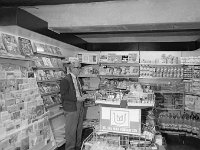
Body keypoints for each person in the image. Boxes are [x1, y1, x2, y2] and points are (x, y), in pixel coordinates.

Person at [60, 60, 87, 150]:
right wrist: (77, 98)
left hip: (80, 105)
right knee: (71, 130)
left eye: (80, 67)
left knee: (79, 128)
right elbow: (64, 95)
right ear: (71, 68)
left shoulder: (78, 79)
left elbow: (77, 92)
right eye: (78, 67)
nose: (80, 69)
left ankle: (78, 146)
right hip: (71, 107)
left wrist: (83, 95)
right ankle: (70, 148)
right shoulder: (65, 80)